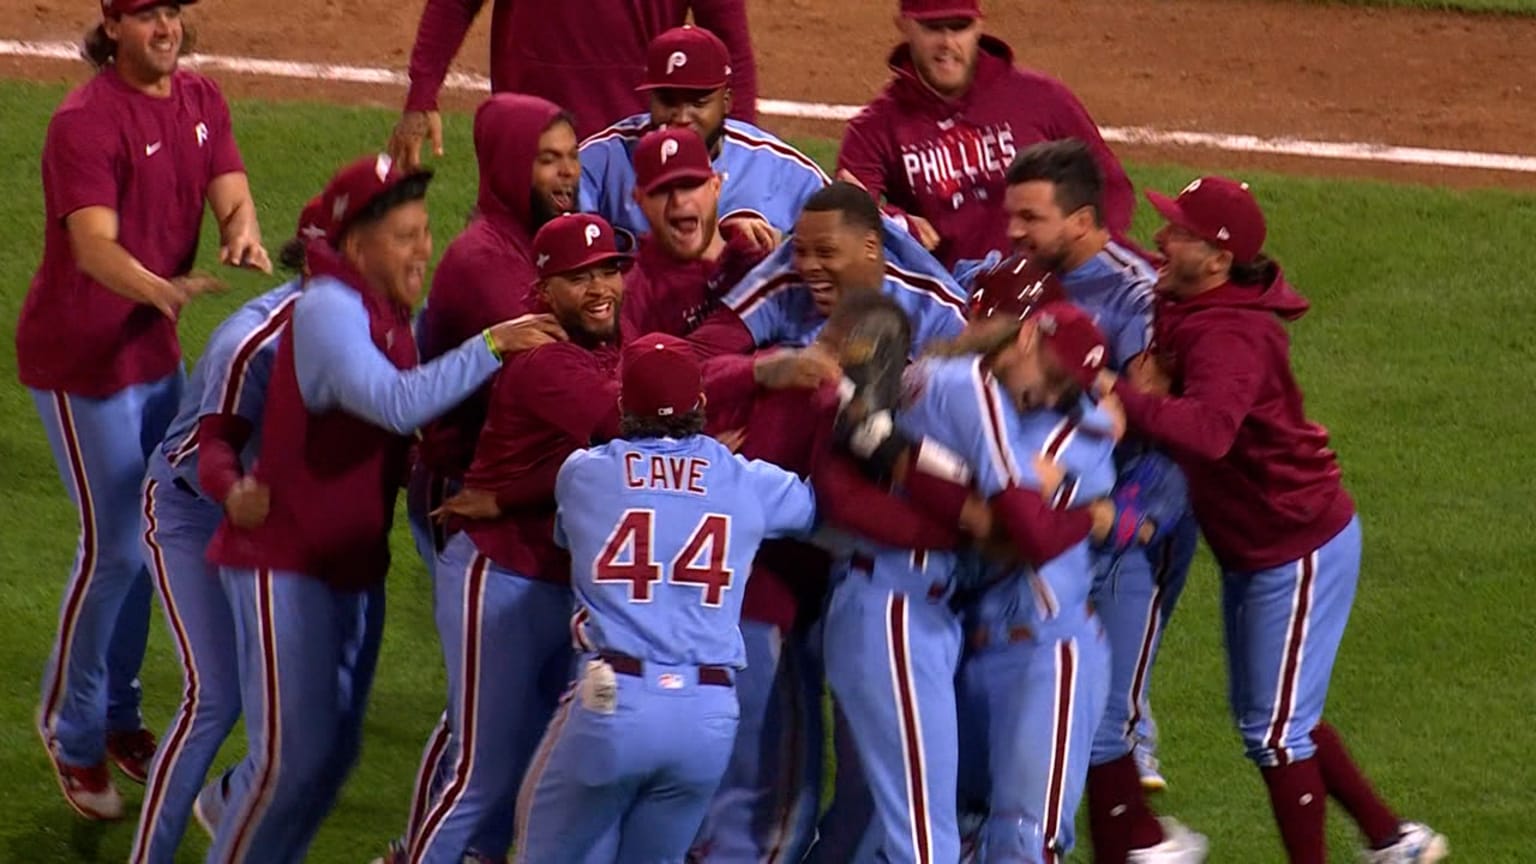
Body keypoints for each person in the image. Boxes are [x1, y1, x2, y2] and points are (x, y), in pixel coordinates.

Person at [201, 153, 561, 863]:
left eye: (425, 232)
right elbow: (397, 404)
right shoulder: (330, 307)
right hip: (287, 565)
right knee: (287, 763)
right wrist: (496, 341)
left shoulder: (384, 312)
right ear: (356, 243)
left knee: (328, 760)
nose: (422, 249)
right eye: (404, 235)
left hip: (351, 565)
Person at [1102, 176, 1448, 864]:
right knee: (1280, 716)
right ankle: (1392, 839)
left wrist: (1123, 396)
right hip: (1258, 543)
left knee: (1275, 730)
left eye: (1179, 233)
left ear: (1220, 260)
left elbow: (1208, 433)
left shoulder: (1231, 333)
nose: (1161, 238)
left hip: (1295, 545)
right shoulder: (1190, 296)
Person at [17, 0, 268, 821]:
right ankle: (70, 729)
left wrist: (241, 230)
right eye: (147, 14)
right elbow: (91, 245)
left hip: (153, 357)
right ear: (113, 26)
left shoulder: (202, 102)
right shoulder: (83, 123)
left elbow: (232, 190)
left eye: (173, 11)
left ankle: (119, 712)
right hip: (80, 362)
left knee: (153, 541)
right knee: (115, 547)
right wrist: (162, 289)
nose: (166, 27)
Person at [513, 333, 820, 863]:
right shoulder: (745, 480)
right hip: (707, 716)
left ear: (622, 406)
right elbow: (815, 506)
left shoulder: (584, 473)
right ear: (699, 404)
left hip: (615, 701)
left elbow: (570, 538)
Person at [402, 214, 634, 864]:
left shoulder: (610, 341)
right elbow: (623, 430)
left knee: (536, 762)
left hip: (558, 581)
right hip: (499, 577)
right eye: (578, 276)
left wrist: (508, 492)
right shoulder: (546, 359)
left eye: (609, 270)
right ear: (545, 286)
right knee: (482, 771)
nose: (599, 288)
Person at [1003, 138, 1209, 861]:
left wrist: (1129, 524)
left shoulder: (1137, 298)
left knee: (1096, 719)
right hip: (1061, 527)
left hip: (1125, 531)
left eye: (1030, 218)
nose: (1014, 233)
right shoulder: (1019, 278)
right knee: (1063, 711)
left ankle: (1140, 845)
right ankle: (1139, 842)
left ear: (1084, 219)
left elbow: (1169, 441)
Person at [127, 199, 325, 864]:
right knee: (216, 696)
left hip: (272, 520)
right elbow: (214, 458)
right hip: (190, 510)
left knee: (310, 705)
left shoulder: (372, 327)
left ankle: (225, 800)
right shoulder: (253, 341)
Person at [406, 93, 573, 572]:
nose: (568, 172)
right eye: (548, 159)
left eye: (571, 156)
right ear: (510, 165)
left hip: (516, 487)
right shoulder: (482, 260)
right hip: (468, 490)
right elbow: (553, 377)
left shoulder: (534, 241)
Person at [836, 0, 1132, 270]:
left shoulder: (1041, 98)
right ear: (904, 25)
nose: (948, 43)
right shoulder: (875, 127)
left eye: (959, 27)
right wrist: (896, 223)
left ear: (979, 24)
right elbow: (845, 217)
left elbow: (1111, 187)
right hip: (951, 302)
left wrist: (1088, 268)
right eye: (932, 28)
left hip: (1047, 291)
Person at [390, 0, 757, 156]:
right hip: (528, 144)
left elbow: (732, 49)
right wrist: (421, 94)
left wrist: (744, 155)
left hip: (635, 154)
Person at [581, 26, 825, 244]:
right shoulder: (602, 160)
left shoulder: (778, 169)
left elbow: (847, 239)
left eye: (697, 103)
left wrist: (776, 250)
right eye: (667, 101)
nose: (681, 117)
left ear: (727, 101)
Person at [686, 181, 969, 361]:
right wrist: (762, 370)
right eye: (800, 251)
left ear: (870, 247)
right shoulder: (784, 279)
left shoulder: (934, 306)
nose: (807, 266)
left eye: (825, 252)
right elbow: (697, 354)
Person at [619, 125, 774, 340]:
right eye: (662, 190)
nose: (679, 201)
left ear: (716, 186)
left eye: (689, 185)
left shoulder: (759, 256)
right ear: (639, 199)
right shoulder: (634, 297)